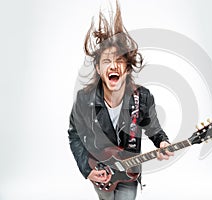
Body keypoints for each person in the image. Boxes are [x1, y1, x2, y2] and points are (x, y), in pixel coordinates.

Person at [68, 2, 173, 200]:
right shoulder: (84, 98)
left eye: (119, 61)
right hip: (99, 169)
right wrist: (86, 169)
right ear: (99, 69)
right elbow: (74, 136)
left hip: (130, 171)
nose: (113, 65)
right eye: (106, 61)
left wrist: (163, 143)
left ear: (127, 68)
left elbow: (154, 130)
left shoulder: (142, 97)